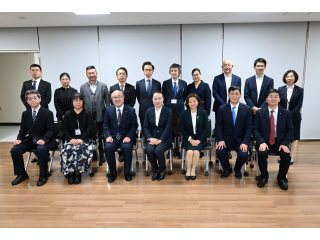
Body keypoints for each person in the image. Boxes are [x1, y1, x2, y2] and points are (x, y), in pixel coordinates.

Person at [10, 90, 55, 186]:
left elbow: (50, 130)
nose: (33, 100)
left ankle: (43, 175)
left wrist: (44, 139)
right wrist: (19, 139)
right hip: (31, 139)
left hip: (44, 139)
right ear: (27, 101)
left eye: (35, 98)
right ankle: (21, 174)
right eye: (30, 99)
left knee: (41, 149)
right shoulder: (25, 114)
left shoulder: (47, 113)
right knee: (15, 150)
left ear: (39, 99)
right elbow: (23, 130)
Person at [254, 89, 293, 191]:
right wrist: (261, 142)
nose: (273, 98)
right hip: (264, 141)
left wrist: (285, 143)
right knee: (261, 153)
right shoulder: (260, 112)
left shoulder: (286, 113)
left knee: (286, 155)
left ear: (279, 99)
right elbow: (255, 129)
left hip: (280, 142)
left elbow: (290, 130)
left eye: (276, 96)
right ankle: (263, 176)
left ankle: (281, 178)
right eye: (270, 96)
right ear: (266, 99)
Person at [215, 86, 252, 179]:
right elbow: (218, 126)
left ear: (240, 95)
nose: (234, 96)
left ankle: (237, 169)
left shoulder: (247, 109)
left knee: (244, 155)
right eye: (232, 94)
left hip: (240, 140)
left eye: (237, 94)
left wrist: (245, 142)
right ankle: (227, 169)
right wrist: (220, 140)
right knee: (219, 152)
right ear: (228, 95)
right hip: (225, 139)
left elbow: (249, 128)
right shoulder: (222, 108)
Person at [103, 90, 138, 183]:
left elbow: (134, 125)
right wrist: (108, 136)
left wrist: (129, 137)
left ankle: (127, 173)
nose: (117, 99)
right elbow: (105, 125)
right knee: (108, 147)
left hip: (126, 137)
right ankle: (113, 173)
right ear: (111, 99)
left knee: (126, 147)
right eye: (114, 97)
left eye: (119, 96)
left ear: (123, 97)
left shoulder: (130, 110)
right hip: (113, 137)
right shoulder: (108, 109)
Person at [60, 93, 94, 185]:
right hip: (71, 140)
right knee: (68, 149)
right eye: (76, 100)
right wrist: (71, 139)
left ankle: (78, 173)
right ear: (72, 102)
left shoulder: (87, 113)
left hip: (85, 140)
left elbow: (90, 128)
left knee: (79, 149)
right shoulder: (67, 114)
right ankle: (71, 173)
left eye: (80, 100)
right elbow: (64, 129)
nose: (78, 102)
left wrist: (82, 139)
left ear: (83, 102)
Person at [80, 65, 109, 165]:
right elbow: (81, 103)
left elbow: (107, 101)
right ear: (86, 74)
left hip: (101, 116)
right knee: (91, 136)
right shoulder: (83, 87)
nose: (92, 75)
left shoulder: (103, 86)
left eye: (93, 73)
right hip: (89, 118)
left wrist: (107, 115)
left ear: (96, 73)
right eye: (89, 73)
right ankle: (93, 154)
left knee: (102, 137)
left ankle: (102, 154)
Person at [143, 91, 172, 181]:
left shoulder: (168, 111)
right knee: (149, 150)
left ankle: (162, 170)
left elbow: (168, 127)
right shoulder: (148, 111)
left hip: (165, 138)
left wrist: (160, 140)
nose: (157, 101)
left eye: (159, 98)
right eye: (155, 99)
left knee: (158, 151)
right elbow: (145, 127)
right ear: (152, 100)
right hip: (152, 138)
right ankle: (155, 170)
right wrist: (150, 138)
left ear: (163, 99)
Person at [180, 93, 208, 180]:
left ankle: (193, 170)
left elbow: (206, 129)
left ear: (198, 102)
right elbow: (182, 129)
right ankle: (188, 170)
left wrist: (199, 140)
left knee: (196, 152)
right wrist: (190, 139)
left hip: (201, 139)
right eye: (190, 102)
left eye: (194, 101)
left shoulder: (203, 112)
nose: (192, 103)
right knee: (189, 152)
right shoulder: (184, 113)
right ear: (187, 103)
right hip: (188, 139)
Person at [162, 63, 187, 159]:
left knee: (178, 131)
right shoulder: (165, 83)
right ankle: (169, 150)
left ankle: (177, 149)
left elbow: (184, 96)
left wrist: (179, 104)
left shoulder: (184, 83)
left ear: (179, 72)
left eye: (175, 70)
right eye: (172, 71)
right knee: (169, 131)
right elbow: (163, 96)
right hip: (168, 110)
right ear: (169, 72)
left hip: (180, 111)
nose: (173, 72)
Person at [278, 70, 304, 164]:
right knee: (283, 135)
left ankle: (291, 157)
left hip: (295, 116)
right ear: (285, 78)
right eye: (287, 76)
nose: (289, 78)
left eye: (291, 76)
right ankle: (283, 155)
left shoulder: (300, 90)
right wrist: (284, 113)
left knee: (294, 136)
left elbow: (299, 104)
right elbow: (278, 103)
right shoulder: (280, 89)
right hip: (282, 116)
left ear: (295, 78)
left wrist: (290, 114)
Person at [136, 61, 161, 131]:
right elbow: (138, 97)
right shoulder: (138, 83)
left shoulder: (158, 83)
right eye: (146, 70)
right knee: (144, 129)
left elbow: (159, 97)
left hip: (155, 110)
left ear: (152, 71)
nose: (148, 71)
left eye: (150, 70)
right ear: (143, 71)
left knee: (155, 129)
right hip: (143, 110)